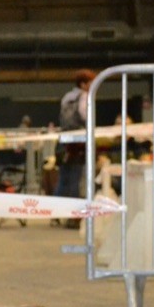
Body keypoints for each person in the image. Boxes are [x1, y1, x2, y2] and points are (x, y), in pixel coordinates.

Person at [54, 69, 95, 227]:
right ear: (83, 84)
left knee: (63, 179)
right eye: (90, 83)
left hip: (64, 141)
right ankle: (74, 217)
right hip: (78, 143)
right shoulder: (84, 97)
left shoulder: (67, 97)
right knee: (75, 179)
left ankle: (55, 212)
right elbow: (85, 116)